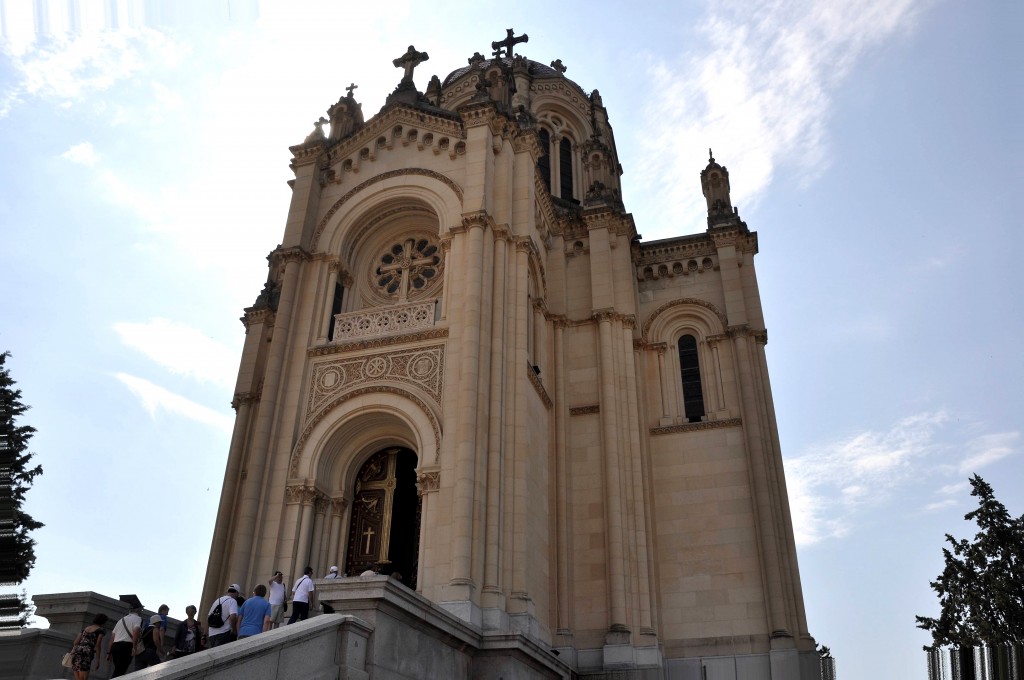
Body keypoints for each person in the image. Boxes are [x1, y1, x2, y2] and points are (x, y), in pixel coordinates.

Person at [107, 597, 143, 678]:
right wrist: (134, 647)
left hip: (115, 646)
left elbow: (112, 637)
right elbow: (136, 631)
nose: (141, 611)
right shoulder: (138, 618)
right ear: (137, 609)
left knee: (118, 669)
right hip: (126, 646)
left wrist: (108, 652)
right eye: (141, 609)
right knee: (121, 671)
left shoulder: (121, 620)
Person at [69, 613, 108, 680]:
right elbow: (98, 645)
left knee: (78, 677)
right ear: (103, 622)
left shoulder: (86, 629)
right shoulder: (101, 630)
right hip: (87, 652)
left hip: (78, 651)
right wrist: (98, 660)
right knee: (84, 676)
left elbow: (76, 642)